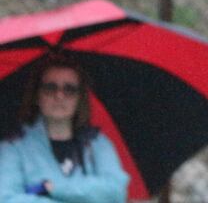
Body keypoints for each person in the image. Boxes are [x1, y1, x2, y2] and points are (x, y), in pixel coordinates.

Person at [0, 57, 129, 202]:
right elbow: (6, 198)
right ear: (37, 95)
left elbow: (116, 192)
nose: (59, 96)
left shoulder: (97, 143)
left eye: (69, 89)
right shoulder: (13, 146)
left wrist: (53, 188)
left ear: (79, 98)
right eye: (50, 88)